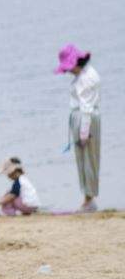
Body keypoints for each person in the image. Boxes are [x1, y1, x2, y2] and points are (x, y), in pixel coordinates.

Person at [55, 44, 101, 212]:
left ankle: (89, 198)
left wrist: (84, 131)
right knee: (84, 159)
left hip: (85, 117)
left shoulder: (86, 78)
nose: (67, 71)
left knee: (88, 159)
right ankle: (88, 198)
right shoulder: (85, 74)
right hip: (82, 116)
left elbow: (87, 106)